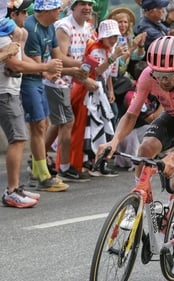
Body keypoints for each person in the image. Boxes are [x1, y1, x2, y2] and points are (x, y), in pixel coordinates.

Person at [98, 36, 174, 276]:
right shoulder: (147, 76)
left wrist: (172, 157)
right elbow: (130, 116)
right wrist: (114, 141)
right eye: (158, 75)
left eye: (168, 76)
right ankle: (137, 202)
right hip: (173, 117)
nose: (161, 81)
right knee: (145, 149)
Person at [0, 16, 61, 208]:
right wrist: (45, 66)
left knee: (22, 137)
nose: (26, 17)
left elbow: (20, 58)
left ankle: (15, 188)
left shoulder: (12, 32)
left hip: (11, 90)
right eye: (23, 12)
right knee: (18, 139)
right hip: (5, 92)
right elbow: (16, 65)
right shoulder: (4, 33)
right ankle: (11, 191)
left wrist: (43, 71)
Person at [43, 0, 94, 183]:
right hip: (58, 80)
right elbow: (60, 58)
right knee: (66, 122)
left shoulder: (87, 27)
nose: (87, 7)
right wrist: (83, 67)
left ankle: (37, 159)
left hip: (71, 80)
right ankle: (65, 167)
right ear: (73, 7)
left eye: (90, 4)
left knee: (58, 124)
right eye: (82, 3)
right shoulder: (64, 26)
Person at [22, 0, 69, 192]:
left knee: (44, 124)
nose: (59, 11)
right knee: (38, 125)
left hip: (38, 79)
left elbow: (56, 56)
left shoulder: (50, 27)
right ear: (46, 10)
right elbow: (37, 65)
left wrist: (57, 69)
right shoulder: (32, 29)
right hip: (27, 80)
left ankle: (37, 169)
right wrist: (49, 71)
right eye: (56, 8)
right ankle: (43, 176)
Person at [71, 19, 126, 177]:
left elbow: (108, 75)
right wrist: (113, 58)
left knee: (104, 124)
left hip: (100, 90)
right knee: (94, 126)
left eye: (115, 36)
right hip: (92, 91)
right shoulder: (97, 50)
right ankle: (92, 161)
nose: (113, 39)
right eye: (111, 36)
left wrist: (110, 90)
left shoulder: (110, 49)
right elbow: (96, 72)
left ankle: (99, 161)